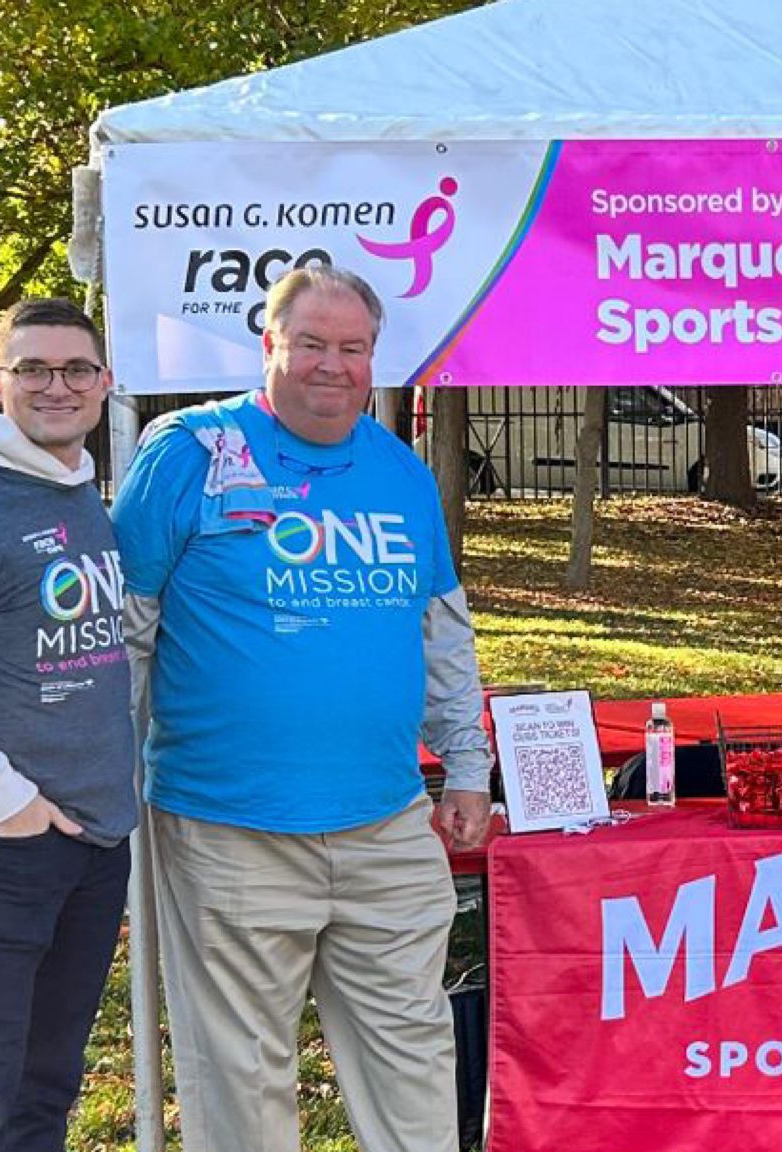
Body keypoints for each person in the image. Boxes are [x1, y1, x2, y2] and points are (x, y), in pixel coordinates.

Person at [112, 266, 496, 1152]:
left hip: (387, 825)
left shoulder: (398, 471)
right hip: (228, 827)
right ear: (268, 346)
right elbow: (122, 635)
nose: (334, 365)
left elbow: (441, 634)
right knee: (241, 1074)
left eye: (353, 348)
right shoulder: (190, 453)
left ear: (373, 357)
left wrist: (467, 767)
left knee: (412, 1052)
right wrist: (102, 783)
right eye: (312, 344)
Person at [0, 298, 137, 1152]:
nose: (57, 386)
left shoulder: (81, 494)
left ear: (104, 383)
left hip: (89, 839)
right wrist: (1, 796)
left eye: (76, 369)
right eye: (33, 369)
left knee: (44, 1091)